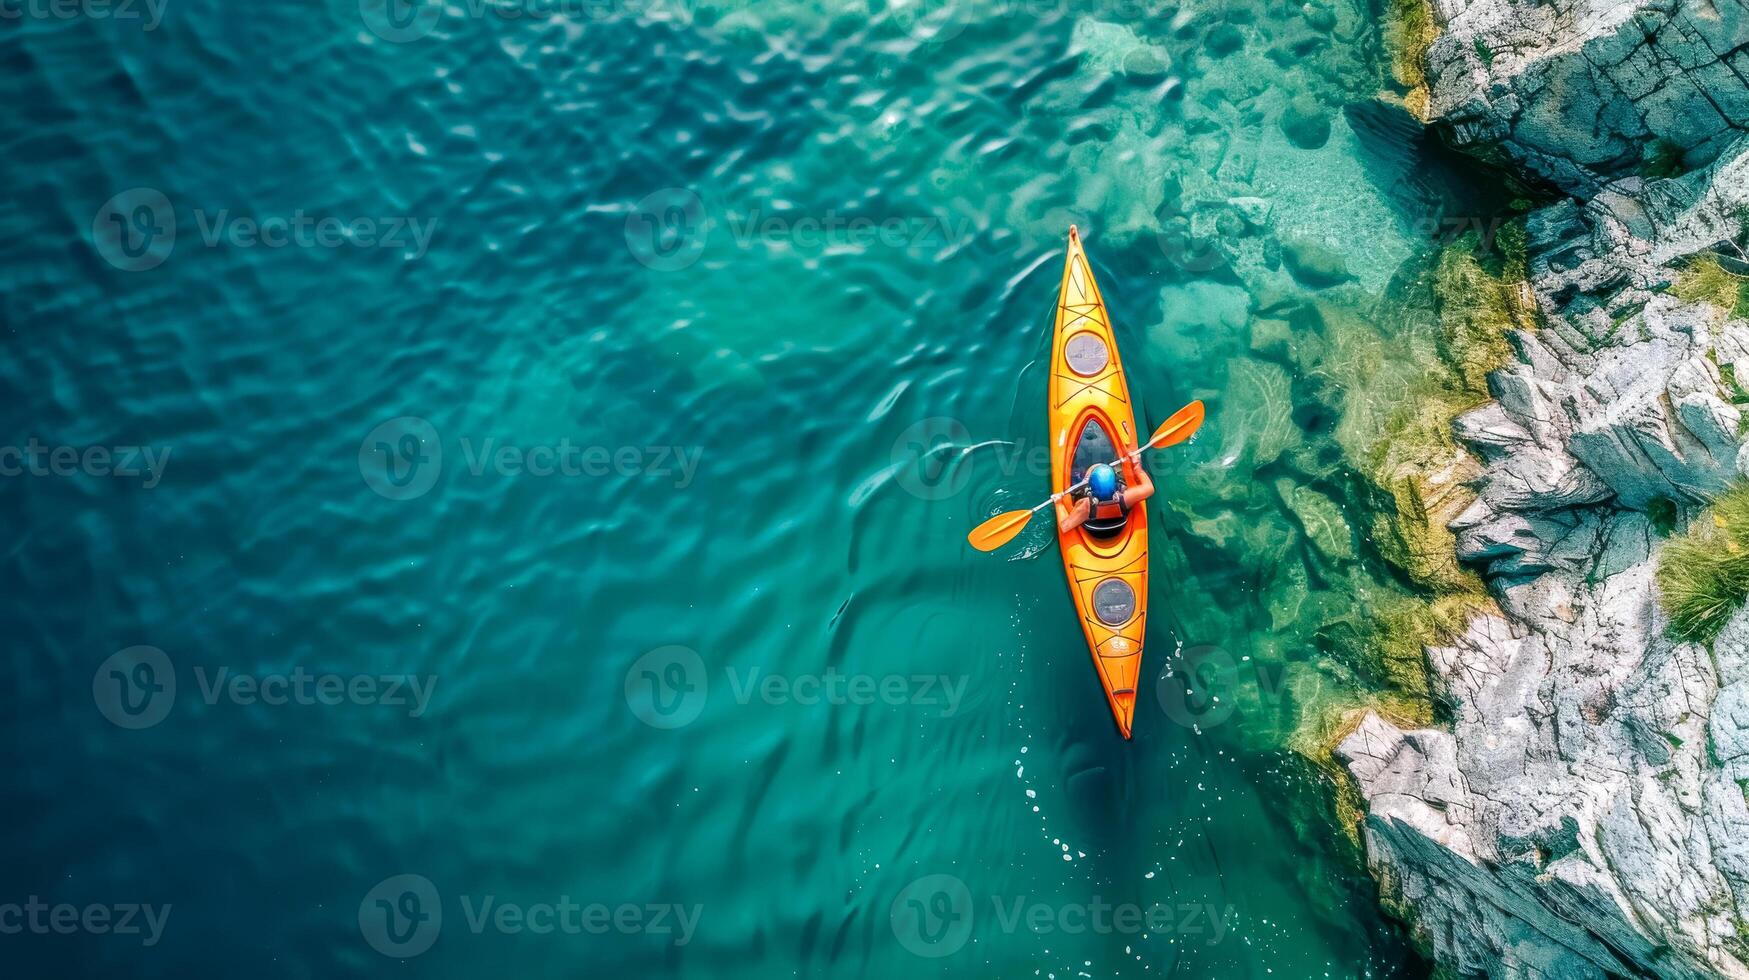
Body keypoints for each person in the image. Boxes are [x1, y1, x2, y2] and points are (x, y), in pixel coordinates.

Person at [1056, 461, 1154, 537]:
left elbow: (1064, 527)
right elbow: (1150, 488)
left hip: (1094, 532)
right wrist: (1138, 469)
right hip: (1118, 530)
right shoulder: (1125, 499)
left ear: (1090, 487)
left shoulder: (1085, 506)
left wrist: (1059, 503)